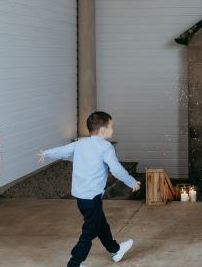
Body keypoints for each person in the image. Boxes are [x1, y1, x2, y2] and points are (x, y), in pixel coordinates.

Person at [37, 111, 141, 267]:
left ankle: (115, 250)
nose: (113, 130)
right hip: (92, 198)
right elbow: (116, 169)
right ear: (103, 130)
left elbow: (63, 150)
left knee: (101, 225)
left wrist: (46, 153)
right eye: (111, 127)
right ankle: (75, 263)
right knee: (89, 232)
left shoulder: (80, 143)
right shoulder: (105, 147)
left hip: (81, 197)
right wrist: (131, 181)